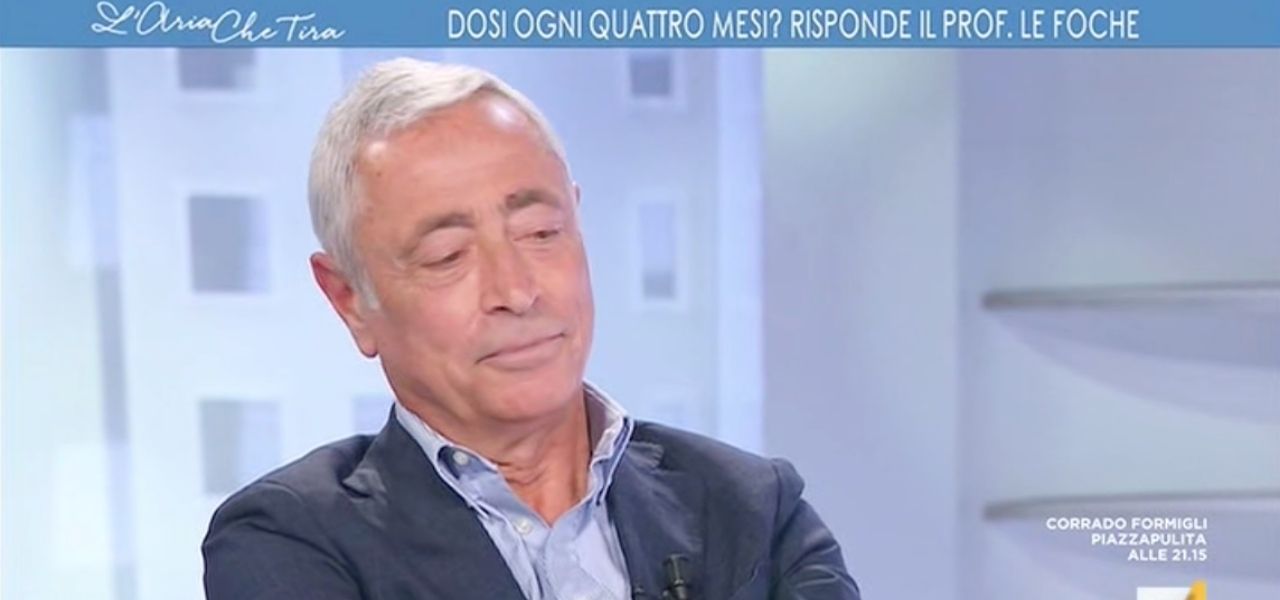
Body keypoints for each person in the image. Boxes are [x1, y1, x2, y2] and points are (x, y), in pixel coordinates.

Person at [202, 58, 860, 600]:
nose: (517, 292)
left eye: (542, 233)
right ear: (349, 300)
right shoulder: (290, 541)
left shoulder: (752, 511)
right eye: (447, 257)